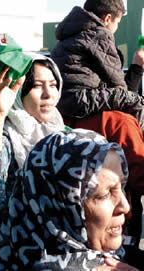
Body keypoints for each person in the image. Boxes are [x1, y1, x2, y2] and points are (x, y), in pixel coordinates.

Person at [51, 0, 144, 248]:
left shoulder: (66, 35)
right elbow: (119, 88)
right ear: (106, 19)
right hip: (98, 116)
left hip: (69, 118)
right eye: (116, 24)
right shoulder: (99, 33)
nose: (114, 31)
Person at [0, 53, 66, 269]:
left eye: (53, 85)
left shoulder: (60, 132)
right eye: (37, 86)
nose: (48, 94)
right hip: (13, 259)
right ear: (18, 92)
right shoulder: (4, 135)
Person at [0, 129, 142, 271]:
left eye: (122, 186)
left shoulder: (119, 257)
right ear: (58, 207)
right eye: (104, 195)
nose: (125, 206)